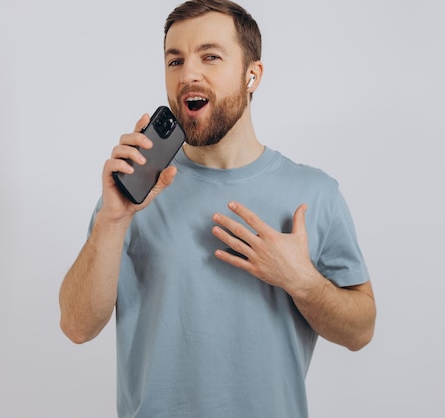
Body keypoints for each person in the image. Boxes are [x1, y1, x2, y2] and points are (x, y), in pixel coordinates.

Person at [59, 0, 376, 416]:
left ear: (252, 75)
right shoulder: (135, 194)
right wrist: (112, 220)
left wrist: (302, 282)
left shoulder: (315, 193)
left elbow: (361, 330)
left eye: (210, 56)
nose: (188, 74)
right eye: (175, 61)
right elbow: (77, 326)